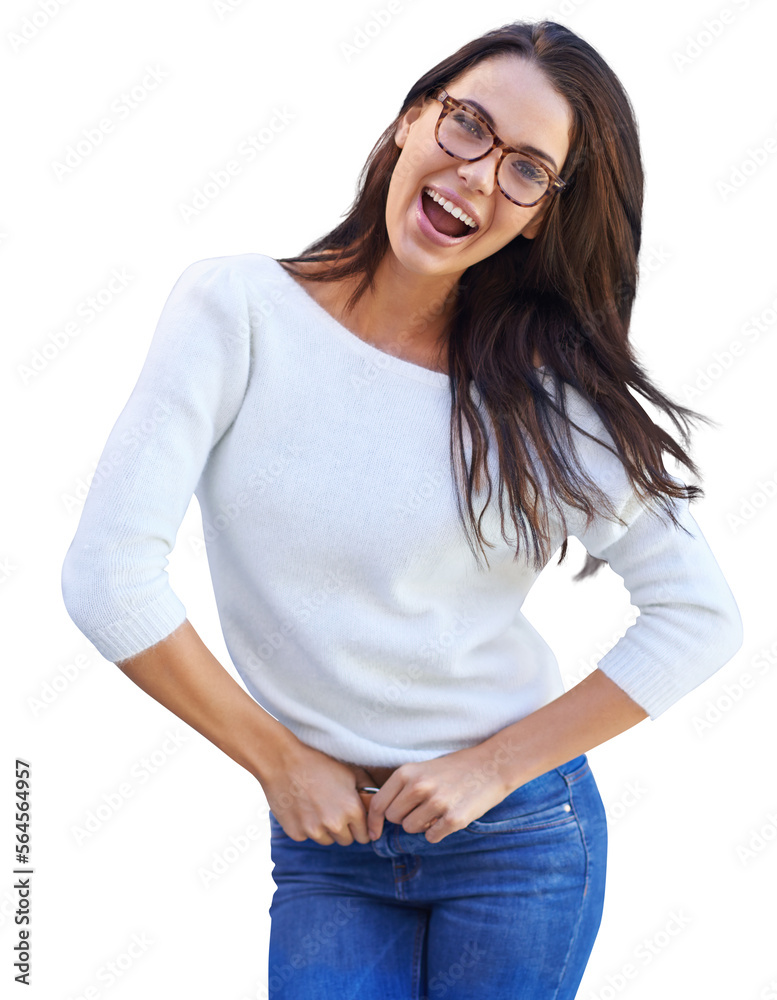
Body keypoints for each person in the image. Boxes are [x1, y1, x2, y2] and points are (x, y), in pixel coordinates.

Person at [61, 18, 743, 999]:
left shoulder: (546, 399)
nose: (476, 174)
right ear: (410, 120)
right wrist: (280, 762)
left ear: (546, 214)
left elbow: (700, 614)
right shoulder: (237, 310)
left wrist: (496, 764)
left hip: (518, 839)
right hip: (328, 838)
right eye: (466, 125)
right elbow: (106, 575)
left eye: (525, 170)